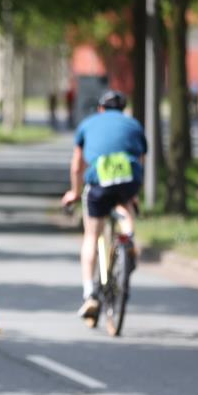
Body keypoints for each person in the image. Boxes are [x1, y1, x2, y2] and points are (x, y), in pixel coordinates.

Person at [60, 90, 147, 324]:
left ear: (100, 109)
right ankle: (128, 238)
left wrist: (75, 193)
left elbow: (77, 165)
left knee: (91, 235)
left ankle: (89, 294)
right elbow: (140, 161)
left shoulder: (88, 124)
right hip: (128, 177)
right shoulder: (134, 125)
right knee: (124, 204)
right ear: (123, 109)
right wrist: (134, 194)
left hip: (100, 179)